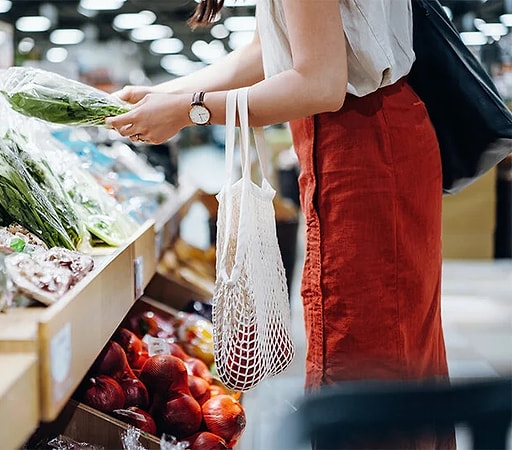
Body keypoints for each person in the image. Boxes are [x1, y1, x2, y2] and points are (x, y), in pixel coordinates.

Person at [107, 1, 453, 447]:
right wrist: (164, 95)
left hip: (363, 148)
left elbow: (320, 83)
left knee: (371, 358)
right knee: (396, 352)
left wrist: (189, 110)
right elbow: (265, 52)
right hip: (368, 140)